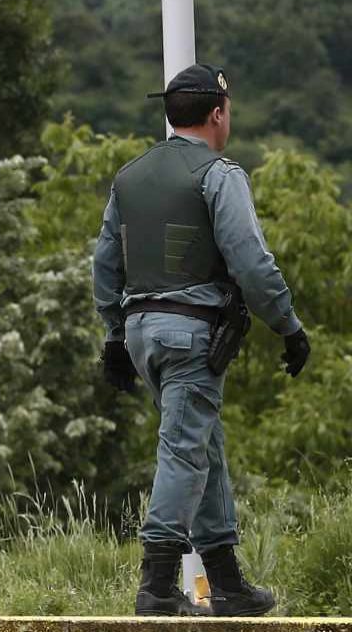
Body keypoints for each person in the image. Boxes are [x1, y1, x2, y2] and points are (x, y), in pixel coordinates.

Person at [93, 63, 310, 617]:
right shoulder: (219, 174)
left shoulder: (129, 176)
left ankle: (228, 583)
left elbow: (105, 264)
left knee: (203, 447)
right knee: (184, 453)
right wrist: (288, 326)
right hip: (192, 334)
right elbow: (252, 263)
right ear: (218, 113)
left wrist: (115, 336)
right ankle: (158, 585)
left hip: (142, 333)